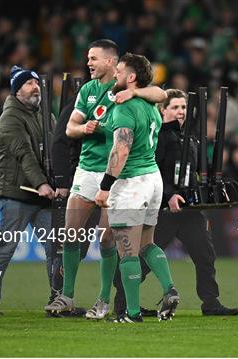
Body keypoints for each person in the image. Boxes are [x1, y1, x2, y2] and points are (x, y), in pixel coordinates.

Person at [45, 40, 167, 319]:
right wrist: (84, 128)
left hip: (116, 174)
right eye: (88, 58)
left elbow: (160, 94)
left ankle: (102, 300)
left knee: (107, 239)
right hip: (87, 170)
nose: (88, 63)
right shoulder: (87, 90)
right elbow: (70, 129)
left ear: (111, 63)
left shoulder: (126, 88)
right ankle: (66, 296)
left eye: (93, 58)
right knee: (70, 232)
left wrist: (134, 93)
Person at [112, 89, 238, 317]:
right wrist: (169, 194)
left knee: (205, 255)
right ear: (163, 110)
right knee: (141, 257)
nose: (181, 111)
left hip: (189, 210)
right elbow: (153, 171)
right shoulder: (157, 137)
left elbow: (193, 173)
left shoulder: (190, 138)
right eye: (175, 107)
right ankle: (122, 304)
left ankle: (210, 302)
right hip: (161, 209)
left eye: (183, 107)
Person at [94, 53, 178, 323]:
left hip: (131, 183)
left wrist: (106, 186)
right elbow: (159, 94)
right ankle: (169, 288)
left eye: (118, 71)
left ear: (130, 77)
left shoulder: (124, 107)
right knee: (146, 244)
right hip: (153, 179)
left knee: (126, 250)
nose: (115, 75)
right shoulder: (149, 103)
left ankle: (131, 313)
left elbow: (121, 149)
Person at [0, 65, 54, 315]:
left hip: (41, 195)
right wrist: (42, 183)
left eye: (36, 83)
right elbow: (24, 155)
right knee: (4, 249)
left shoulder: (44, 114)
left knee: (55, 246)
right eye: (29, 84)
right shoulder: (9, 117)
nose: (35, 87)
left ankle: (59, 300)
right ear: (17, 90)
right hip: (16, 193)